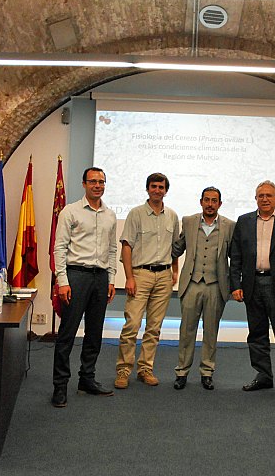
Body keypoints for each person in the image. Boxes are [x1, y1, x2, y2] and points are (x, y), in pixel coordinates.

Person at [51, 167, 117, 408]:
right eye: (93, 181)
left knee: (94, 333)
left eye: (101, 181)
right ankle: (60, 386)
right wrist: (63, 282)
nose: (97, 185)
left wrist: (111, 279)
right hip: (76, 276)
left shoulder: (110, 215)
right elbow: (59, 248)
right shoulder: (71, 212)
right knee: (67, 334)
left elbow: (112, 250)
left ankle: (87, 379)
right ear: (84, 184)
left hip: (100, 278)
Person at [230, 180, 275, 398]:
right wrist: (236, 285)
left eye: (269, 195)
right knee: (257, 334)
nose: (265, 199)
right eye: (261, 195)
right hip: (252, 284)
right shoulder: (244, 221)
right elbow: (236, 256)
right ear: (255, 199)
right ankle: (263, 376)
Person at [115, 173, 179, 389]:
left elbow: (176, 248)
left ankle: (145, 369)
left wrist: (175, 271)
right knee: (132, 325)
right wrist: (129, 277)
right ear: (147, 189)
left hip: (164, 276)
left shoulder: (172, 216)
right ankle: (123, 370)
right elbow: (126, 246)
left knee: (154, 327)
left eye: (161, 187)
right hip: (140, 275)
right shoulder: (136, 214)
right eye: (154, 186)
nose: (157, 190)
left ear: (166, 190)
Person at [172, 187, 235, 390]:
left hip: (216, 286)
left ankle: (207, 372)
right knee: (186, 331)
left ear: (220, 204)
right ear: (201, 202)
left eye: (214, 201)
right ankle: (182, 371)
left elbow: (236, 256)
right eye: (206, 200)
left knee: (211, 332)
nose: (210, 204)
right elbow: (177, 248)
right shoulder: (189, 221)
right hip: (191, 284)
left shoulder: (229, 226)